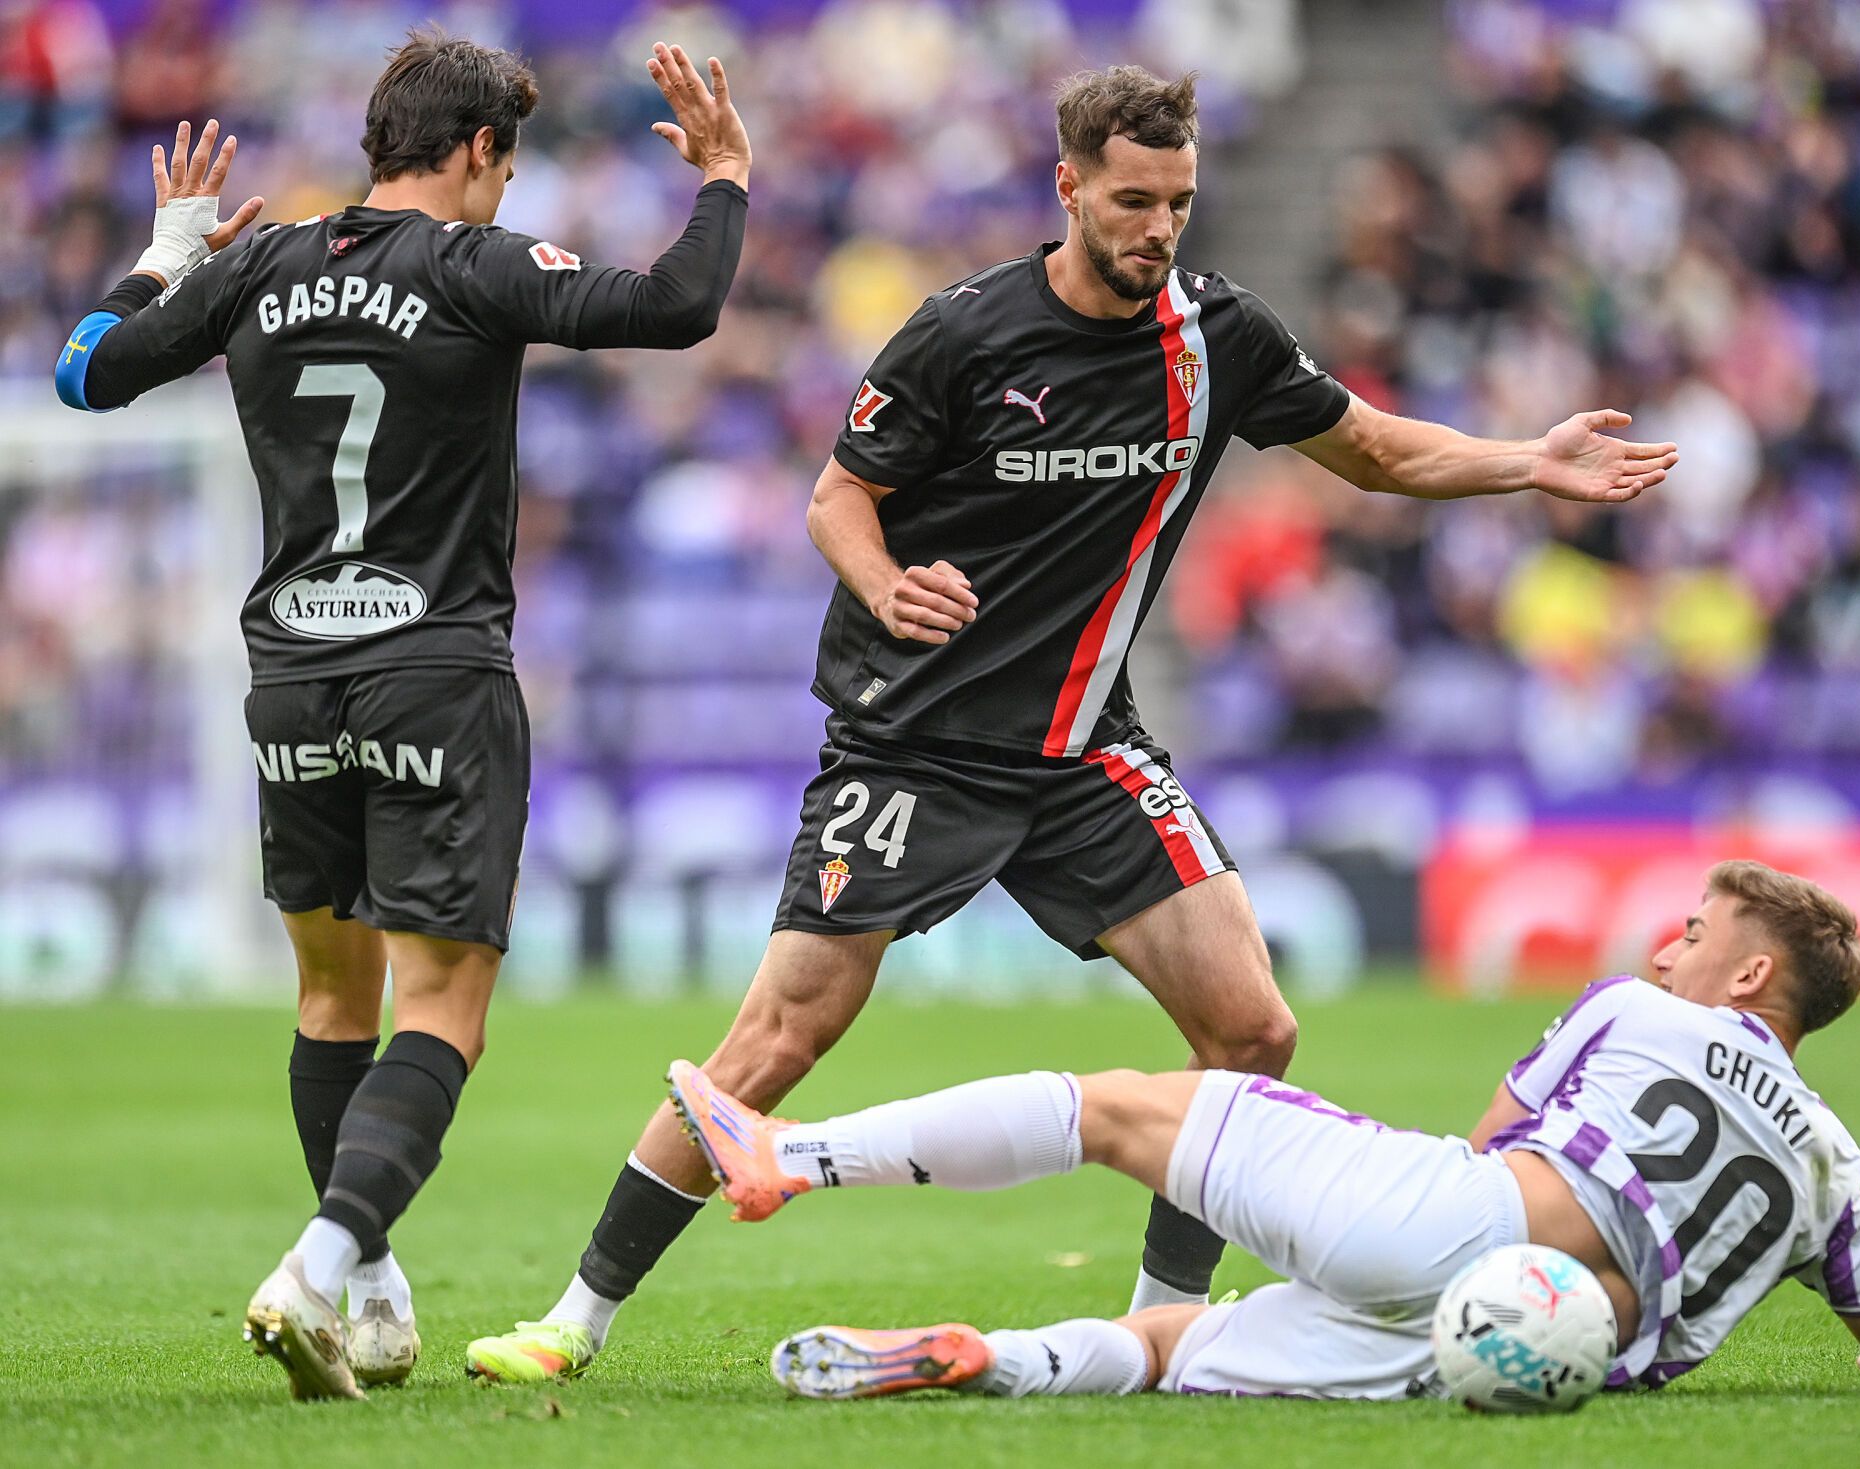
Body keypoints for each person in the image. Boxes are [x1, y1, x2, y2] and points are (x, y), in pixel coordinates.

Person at [468, 64, 1677, 1382]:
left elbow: (1375, 450)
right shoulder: (965, 333)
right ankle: (571, 1321)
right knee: (775, 1040)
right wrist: (885, 582)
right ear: (1069, 188)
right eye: (1133, 199)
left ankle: (1161, 1328)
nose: (1160, 226)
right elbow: (835, 497)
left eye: (1181, 201)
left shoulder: (1220, 339)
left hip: (1086, 747)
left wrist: (1527, 462)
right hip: (914, 740)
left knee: (1254, 1029)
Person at [53, 31, 751, 1400]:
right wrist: (723, 178)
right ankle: (318, 1264)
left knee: (331, 991)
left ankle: (367, 1282)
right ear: (482, 150)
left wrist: (166, 252)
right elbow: (677, 305)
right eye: (509, 159)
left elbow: (86, 373)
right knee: (443, 1006)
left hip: (291, 677)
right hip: (434, 667)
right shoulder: (475, 264)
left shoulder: (258, 267)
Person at [670, 861, 1860, 1403]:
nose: (1666, 944)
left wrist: (1372, 1211)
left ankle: (791, 1153)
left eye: (1698, 935)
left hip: (1472, 1229)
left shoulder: (1637, 1011)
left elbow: (1495, 1136)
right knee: (1167, 1343)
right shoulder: (1833, 1166)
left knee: (1125, 1106)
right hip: (1534, 1362)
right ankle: (991, 1354)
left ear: (1751, 978)